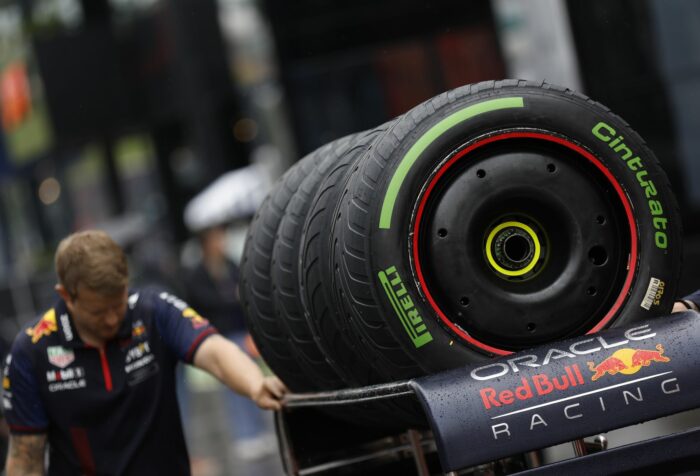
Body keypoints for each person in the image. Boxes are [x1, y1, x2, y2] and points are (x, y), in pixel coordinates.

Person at [2, 230, 287, 475]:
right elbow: (25, 460)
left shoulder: (153, 311)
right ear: (66, 295)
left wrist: (256, 384)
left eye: (117, 304)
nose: (111, 319)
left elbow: (213, 349)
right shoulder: (31, 352)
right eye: (98, 311)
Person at [184, 225, 273, 460]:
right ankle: (245, 433)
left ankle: (258, 430)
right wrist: (230, 298)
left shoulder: (231, 264)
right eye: (215, 240)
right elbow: (204, 302)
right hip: (221, 336)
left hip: (242, 333)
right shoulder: (198, 274)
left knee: (254, 378)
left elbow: (244, 290)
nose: (220, 244)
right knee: (234, 386)